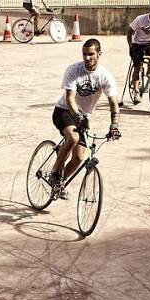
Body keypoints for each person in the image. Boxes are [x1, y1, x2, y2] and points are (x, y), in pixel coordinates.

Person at [49, 38, 121, 200]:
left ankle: (59, 183)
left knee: (79, 158)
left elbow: (113, 102)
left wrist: (114, 125)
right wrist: (77, 117)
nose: (87, 58)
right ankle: (54, 173)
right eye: (84, 54)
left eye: (91, 54)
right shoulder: (73, 70)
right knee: (73, 138)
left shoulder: (105, 76)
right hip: (64, 111)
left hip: (84, 117)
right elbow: (70, 98)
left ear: (99, 54)